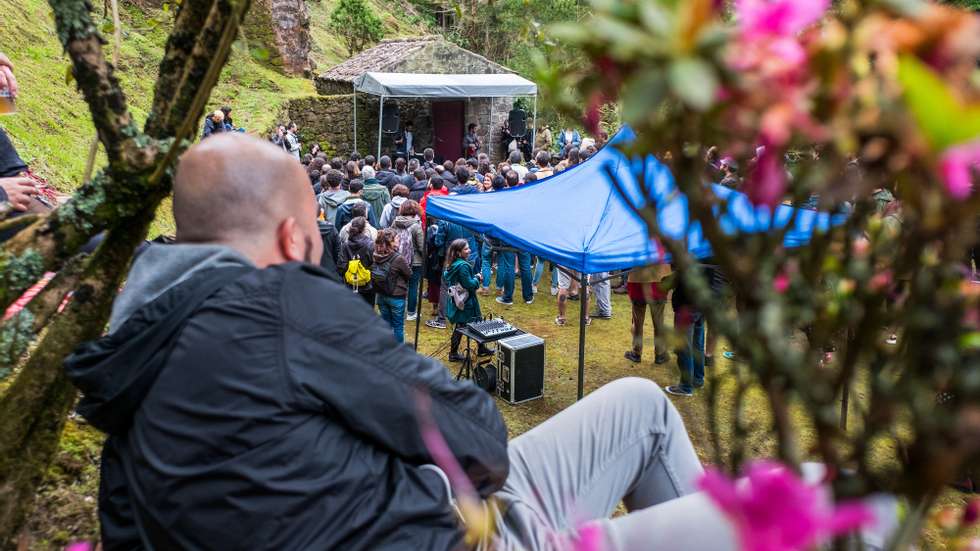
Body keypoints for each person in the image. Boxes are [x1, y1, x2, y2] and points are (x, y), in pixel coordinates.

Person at [64, 133, 897, 551]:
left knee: (641, 402)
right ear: (291, 236)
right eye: (315, 229)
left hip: (445, 503)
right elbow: (478, 432)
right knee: (849, 491)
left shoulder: (127, 374)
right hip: (469, 531)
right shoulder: (274, 304)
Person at [445, 238, 490, 362]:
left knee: (475, 323)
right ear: (458, 252)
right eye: (466, 249)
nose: (469, 250)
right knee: (463, 326)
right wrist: (477, 278)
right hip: (466, 303)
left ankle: (481, 348)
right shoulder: (463, 266)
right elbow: (469, 284)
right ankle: (453, 354)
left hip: (460, 301)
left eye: (469, 248)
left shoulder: (453, 264)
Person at [664, 265, 706, 397]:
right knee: (697, 344)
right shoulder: (708, 251)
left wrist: (668, 280)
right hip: (702, 302)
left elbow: (682, 276)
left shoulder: (691, 251)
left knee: (684, 346)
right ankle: (697, 379)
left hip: (687, 304)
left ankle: (686, 386)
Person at [623, 264, 672, 366]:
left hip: (638, 280)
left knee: (637, 322)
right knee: (658, 322)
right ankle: (660, 353)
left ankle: (637, 352)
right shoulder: (664, 247)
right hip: (658, 280)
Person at [371, 228, 412, 342]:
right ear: (391, 242)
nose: (399, 240)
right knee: (398, 326)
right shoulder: (398, 258)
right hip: (396, 296)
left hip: (381, 294)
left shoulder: (375, 255)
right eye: (397, 238)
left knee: (385, 325)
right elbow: (409, 274)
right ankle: (398, 353)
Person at [391, 200, 424, 321]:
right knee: (413, 286)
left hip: (397, 259)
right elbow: (421, 246)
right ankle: (411, 313)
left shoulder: (396, 222)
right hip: (414, 261)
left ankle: (397, 309)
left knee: (399, 283)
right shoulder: (416, 225)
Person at [338, 215, 376, 306]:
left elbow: (341, 266)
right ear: (364, 229)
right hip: (367, 286)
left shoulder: (345, 245)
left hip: (350, 286)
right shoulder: (370, 245)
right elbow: (375, 265)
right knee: (368, 315)